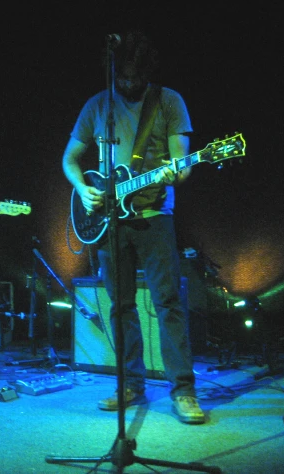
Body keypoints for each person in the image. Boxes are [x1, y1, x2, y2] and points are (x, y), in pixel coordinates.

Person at [62, 30, 205, 424]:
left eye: (134, 77)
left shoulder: (168, 101)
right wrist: (82, 189)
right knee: (120, 307)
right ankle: (130, 386)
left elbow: (183, 163)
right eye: (121, 77)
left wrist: (175, 172)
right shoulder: (97, 105)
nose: (127, 84)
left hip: (154, 216)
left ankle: (184, 390)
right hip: (109, 221)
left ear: (147, 71)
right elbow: (70, 158)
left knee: (168, 303)